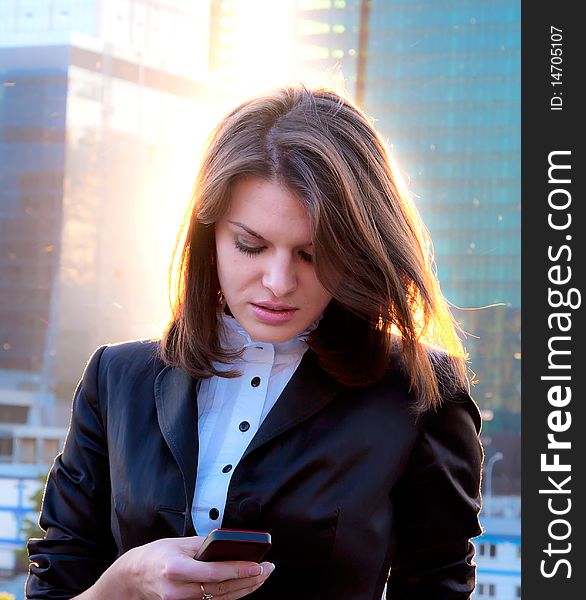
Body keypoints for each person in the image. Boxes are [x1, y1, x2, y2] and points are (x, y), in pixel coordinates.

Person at [26, 86, 483, 599]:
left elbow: (438, 584)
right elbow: (56, 584)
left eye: (314, 254)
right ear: (210, 235)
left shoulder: (420, 393)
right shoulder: (117, 378)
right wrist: (127, 581)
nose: (279, 282)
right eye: (251, 245)